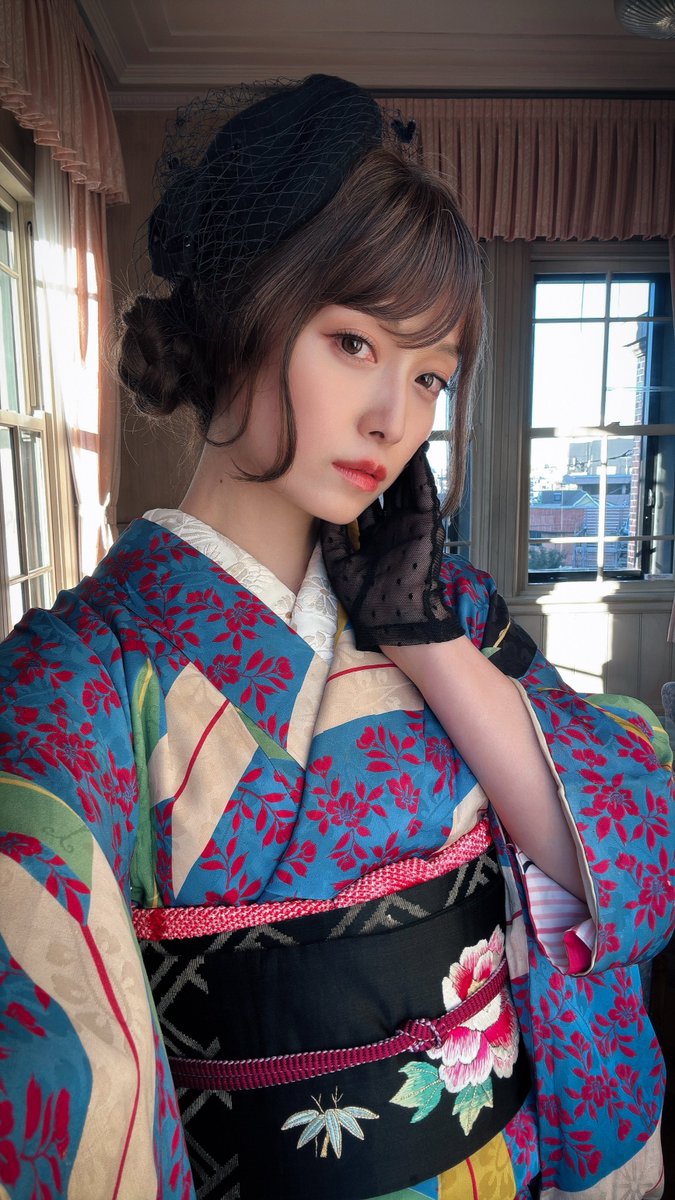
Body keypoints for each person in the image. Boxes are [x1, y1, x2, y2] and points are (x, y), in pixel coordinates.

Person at [0, 73, 673, 1200]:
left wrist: (424, 641)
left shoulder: (440, 610)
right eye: (353, 343)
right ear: (241, 313)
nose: (392, 421)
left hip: (507, 1166)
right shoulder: (73, 682)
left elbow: (620, 859)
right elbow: (60, 1070)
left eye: (430, 377)